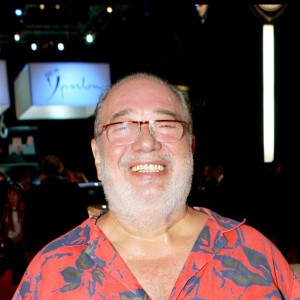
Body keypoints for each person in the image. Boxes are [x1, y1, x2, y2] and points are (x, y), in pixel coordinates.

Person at [13, 73, 300, 299]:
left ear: (190, 146)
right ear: (97, 155)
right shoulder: (49, 273)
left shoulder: (255, 254)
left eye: (165, 124)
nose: (147, 142)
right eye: (123, 126)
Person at [0, 182, 27, 286]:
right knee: (4, 263)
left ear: (18, 196)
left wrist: (20, 236)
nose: (11, 197)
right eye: (10, 194)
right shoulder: (5, 208)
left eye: (14, 194)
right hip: (9, 241)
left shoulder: (23, 208)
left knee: (20, 267)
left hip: (20, 242)